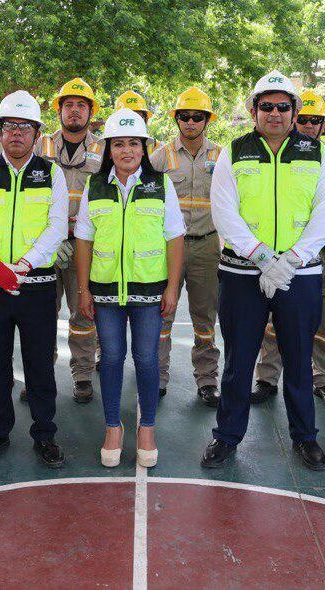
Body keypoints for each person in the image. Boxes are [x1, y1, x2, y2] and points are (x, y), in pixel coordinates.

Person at [202, 72, 325, 471]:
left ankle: (305, 437)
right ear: (253, 111)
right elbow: (224, 210)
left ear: (295, 112)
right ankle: (227, 436)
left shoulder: (317, 153)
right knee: (239, 361)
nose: (275, 113)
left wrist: (290, 260)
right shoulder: (233, 152)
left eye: (283, 106)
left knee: (298, 360)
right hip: (242, 274)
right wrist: (262, 257)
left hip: (300, 275)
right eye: (266, 106)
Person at [0, 91, 69, 468]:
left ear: (37, 134)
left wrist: (23, 265)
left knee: (39, 364)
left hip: (36, 287)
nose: (17, 134)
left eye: (25, 128)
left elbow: (57, 226)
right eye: (10, 127)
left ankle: (45, 433)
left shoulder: (52, 173)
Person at [77, 108, 185, 468]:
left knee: (147, 358)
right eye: (119, 144)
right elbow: (84, 240)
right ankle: (113, 427)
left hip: (149, 292)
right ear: (109, 149)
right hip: (106, 291)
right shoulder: (94, 186)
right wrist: (83, 290)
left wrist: (172, 288)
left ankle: (146, 428)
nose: (127, 151)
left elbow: (175, 237)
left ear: (144, 148)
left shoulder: (161, 184)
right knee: (110, 358)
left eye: (134, 144)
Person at [252, 91, 325, 409]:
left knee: (322, 317)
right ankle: (267, 378)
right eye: (304, 120)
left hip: (320, 252)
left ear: (323, 124)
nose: (309, 125)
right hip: (278, 249)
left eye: (315, 120)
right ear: (295, 120)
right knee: (273, 316)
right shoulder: (275, 152)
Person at [150, 86, 222, 407]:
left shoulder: (221, 156)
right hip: (168, 247)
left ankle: (207, 380)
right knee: (162, 314)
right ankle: (157, 377)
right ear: (177, 119)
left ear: (207, 120)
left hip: (207, 246)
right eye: (184, 116)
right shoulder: (160, 157)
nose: (190, 122)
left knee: (204, 317)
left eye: (197, 116)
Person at [37, 78, 103, 403]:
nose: (74, 111)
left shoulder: (103, 150)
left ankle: (83, 375)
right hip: (45, 245)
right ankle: (40, 373)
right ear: (59, 111)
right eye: (68, 105)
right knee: (42, 314)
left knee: (83, 312)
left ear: (90, 112)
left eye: (81, 105)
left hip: (84, 245)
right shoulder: (40, 146)